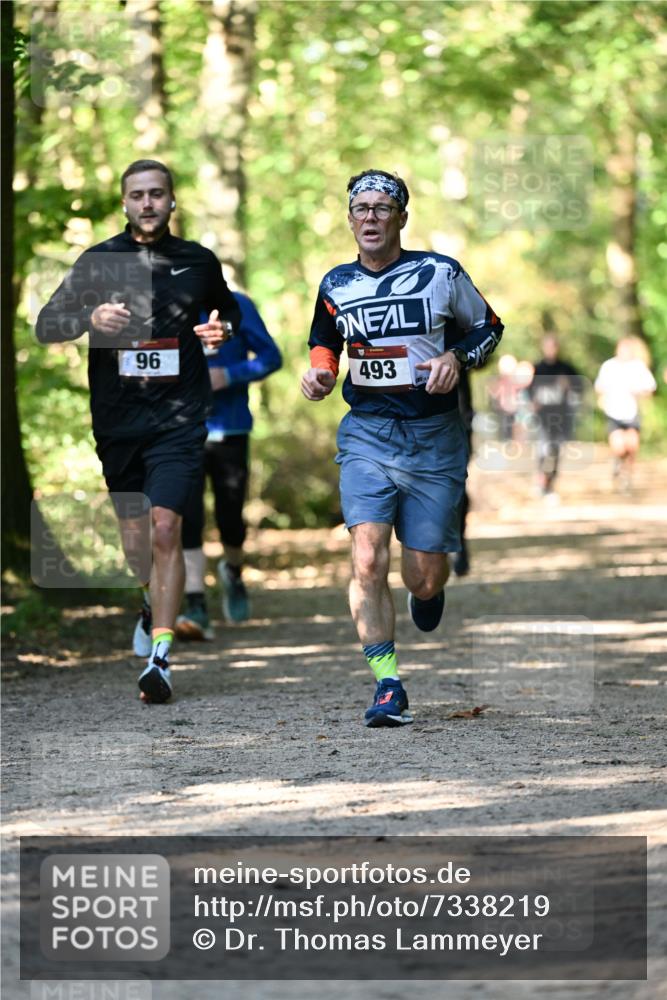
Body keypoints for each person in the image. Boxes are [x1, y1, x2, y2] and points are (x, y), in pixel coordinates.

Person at [301, 169, 503, 728]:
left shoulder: (440, 272)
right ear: (349, 219)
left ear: (400, 218)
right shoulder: (335, 282)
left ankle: (427, 591)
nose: (369, 217)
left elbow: (488, 326)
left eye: (381, 208)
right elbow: (325, 341)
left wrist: (455, 358)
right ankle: (388, 683)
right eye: (359, 208)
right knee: (366, 555)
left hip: (434, 439)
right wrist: (320, 373)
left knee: (424, 577)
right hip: (367, 430)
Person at [36, 159, 240, 704]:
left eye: (156, 194)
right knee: (136, 543)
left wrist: (220, 329)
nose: (147, 203)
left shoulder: (197, 260)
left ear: (172, 201)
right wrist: (88, 319)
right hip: (119, 419)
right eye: (137, 195)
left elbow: (227, 314)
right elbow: (45, 326)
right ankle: (149, 600)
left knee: (166, 526)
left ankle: (161, 656)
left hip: (179, 418)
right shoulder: (98, 262)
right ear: (124, 203)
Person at [175, 292, 282, 639]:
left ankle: (233, 572)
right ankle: (196, 605)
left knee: (230, 518)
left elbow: (271, 357)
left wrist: (230, 375)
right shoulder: (170, 306)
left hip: (231, 428)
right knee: (187, 515)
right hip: (181, 430)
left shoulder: (239, 306)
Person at [594, 336, 656, 489]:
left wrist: (640, 392)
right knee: (619, 446)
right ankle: (618, 462)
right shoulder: (609, 366)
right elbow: (599, 387)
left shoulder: (638, 367)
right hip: (613, 412)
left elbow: (650, 388)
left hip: (631, 412)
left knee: (632, 445)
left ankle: (627, 475)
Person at [527, 334, 582, 498]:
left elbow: (580, 388)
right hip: (543, 417)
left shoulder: (566, 368)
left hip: (561, 416)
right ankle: (541, 481)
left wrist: (569, 388)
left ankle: (550, 483)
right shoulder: (537, 368)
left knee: (556, 450)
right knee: (543, 449)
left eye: (553, 346)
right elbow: (529, 391)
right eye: (548, 346)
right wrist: (533, 402)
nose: (551, 350)